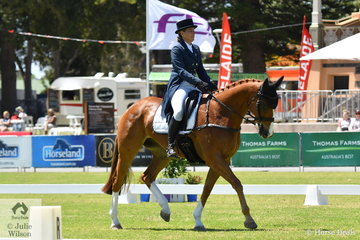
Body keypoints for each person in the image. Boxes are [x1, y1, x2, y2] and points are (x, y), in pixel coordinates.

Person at [161, 18, 217, 157]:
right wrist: (198, 82)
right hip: (180, 85)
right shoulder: (176, 49)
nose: (193, 33)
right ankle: (170, 145)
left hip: (195, 85)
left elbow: (201, 70)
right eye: (190, 31)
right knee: (179, 111)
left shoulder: (196, 49)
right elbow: (180, 71)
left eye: (193, 30)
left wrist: (210, 82)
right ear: (181, 33)